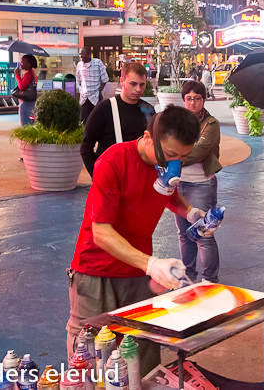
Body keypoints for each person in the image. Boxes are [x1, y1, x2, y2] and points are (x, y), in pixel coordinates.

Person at [66, 106, 203, 376]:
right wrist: (152, 265)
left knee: (142, 354)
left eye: (184, 157)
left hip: (137, 273)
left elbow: (168, 194)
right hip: (96, 273)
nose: (176, 163)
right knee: (91, 358)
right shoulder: (113, 162)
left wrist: (191, 212)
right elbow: (101, 233)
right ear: (148, 137)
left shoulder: (165, 166)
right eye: (172, 155)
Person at [174, 81, 222, 284]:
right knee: (184, 234)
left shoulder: (211, 124)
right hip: (179, 182)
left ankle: (210, 280)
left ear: (203, 100)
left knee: (203, 234)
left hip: (202, 184)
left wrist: (171, 156)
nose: (192, 102)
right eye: (188, 98)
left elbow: (197, 153)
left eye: (197, 98)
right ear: (183, 100)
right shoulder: (177, 122)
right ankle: (188, 277)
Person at [80, 63, 156, 177]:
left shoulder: (148, 109)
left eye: (142, 84)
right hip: (111, 175)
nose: (138, 89)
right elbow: (86, 146)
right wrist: (97, 175)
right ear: (122, 81)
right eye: (133, 84)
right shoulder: (104, 108)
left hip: (140, 176)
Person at [75, 47, 109, 124]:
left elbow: (105, 79)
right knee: (84, 120)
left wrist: (98, 92)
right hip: (84, 98)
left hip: (96, 97)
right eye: (80, 54)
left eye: (83, 54)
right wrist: (82, 91)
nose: (81, 56)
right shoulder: (79, 65)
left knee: (97, 120)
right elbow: (79, 80)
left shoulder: (98, 63)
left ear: (89, 54)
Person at [13, 54, 38, 127]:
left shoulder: (28, 74)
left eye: (22, 62)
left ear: (29, 64)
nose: (20, 64)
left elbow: (21, 87)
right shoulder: (33, 73)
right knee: (30, 123)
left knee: (25, 124)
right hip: (31, 102)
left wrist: (17, 75)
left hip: (25, 103)